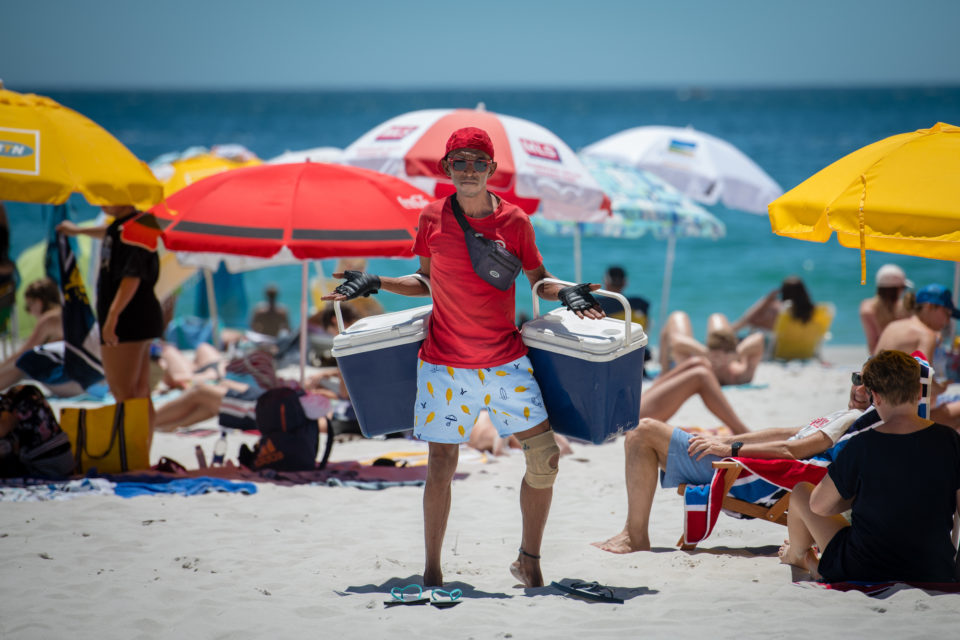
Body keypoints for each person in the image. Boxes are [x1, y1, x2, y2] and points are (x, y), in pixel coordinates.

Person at [323, 127, 605, 589]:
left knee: (545, 459)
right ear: (447, 169)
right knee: (440, 468)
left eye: (478, 161)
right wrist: (377, 282)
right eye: (460, 161)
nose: (469, 169)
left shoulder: (516, 222)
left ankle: (528, 559)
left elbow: (539, 280)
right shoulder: (432, 218)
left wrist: (568, 292)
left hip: (505, 363)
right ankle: (433, 569)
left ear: (492, 170)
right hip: (444, 365)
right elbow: (425, 281)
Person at [593, 363, 875, 554]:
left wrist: (731, 451)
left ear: (881, 394)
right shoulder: (843, 416)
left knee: (642, 432)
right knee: (643, 433)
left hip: (749, 476)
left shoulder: (853, 418)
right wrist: (727, 440)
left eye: (869, 386)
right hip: (752, 470)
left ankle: (635, 536)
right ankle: (634, 533)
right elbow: (786, 433)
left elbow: (792, 451)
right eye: (857, 379)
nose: (859, 389)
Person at [779, 350, 960, 583]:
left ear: (876, 397)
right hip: (932, 566)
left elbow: (820, 506)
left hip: (863, 567)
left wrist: (855, 498)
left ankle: (798, 555)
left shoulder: (861, 445)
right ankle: (805, 558)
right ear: (918, 392)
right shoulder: (950, 441)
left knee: (803, 492)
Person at [57, 206, 165, 441]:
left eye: (107, 194)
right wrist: (79, 231)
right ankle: (141, 453)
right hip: (142, 317)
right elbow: (110, 232)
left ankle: (134, 455)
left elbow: (132, 276)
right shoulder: (132, 224)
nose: (100, 201)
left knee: (124, 393)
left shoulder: (134, 228)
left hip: (128, 320)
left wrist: (112, 317)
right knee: (139, 392)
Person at [659, 310, 765, 385]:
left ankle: (664, 372)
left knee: (678, 316)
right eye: (715, 357)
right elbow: (676, 341)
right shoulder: (741, 374)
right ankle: (664, 370)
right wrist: (705, 352)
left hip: (694, 360)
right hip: (706, 354)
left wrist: (735, 353)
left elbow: (759, 339)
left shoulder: (740, 375)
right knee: (717, 317)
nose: (717, 363)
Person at [0, 278, 63, 390]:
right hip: (89, 379)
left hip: (72, 381)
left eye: (29, 305)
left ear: (39, 302)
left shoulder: (49, 319)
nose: (29, 311)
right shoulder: (62, 313)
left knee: (25, 364)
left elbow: (22, 354)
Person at [859, 264, 913, 354]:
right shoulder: (905, 309)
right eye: (904, 288)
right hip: (905, 357)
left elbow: (872, 345)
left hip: (880, 358)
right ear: (898, 289)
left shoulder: (867, 308)